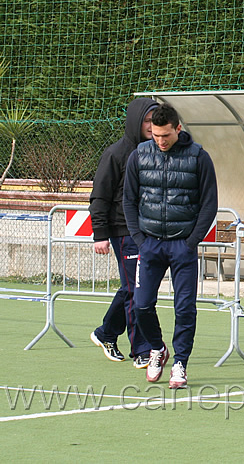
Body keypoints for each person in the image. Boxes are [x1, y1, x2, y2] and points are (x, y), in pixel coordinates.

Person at [123, 103, 218, 389]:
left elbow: (209, 203)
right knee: (140, 306)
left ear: (178, 128)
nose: (160, 141)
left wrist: (191, 242)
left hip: (183, 247)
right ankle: (157, 349)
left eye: (165, 135)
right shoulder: (138, 156)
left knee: (185, 308)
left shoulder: (199, 157)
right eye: (155, 136)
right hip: (149, 244)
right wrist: (140, 239)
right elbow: (129, 200)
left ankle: (180, 364)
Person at [89, 97, 158, 368]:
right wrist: (100, 234)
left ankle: (106, 333)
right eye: (148, 121)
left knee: (134, 288)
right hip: (122, 231)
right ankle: (141, 350)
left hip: (147, 232)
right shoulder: (115, 154)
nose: (152, 127)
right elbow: (99, 197)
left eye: (156, 120)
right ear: (135, 121)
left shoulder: (156, 151)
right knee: (136, 290)